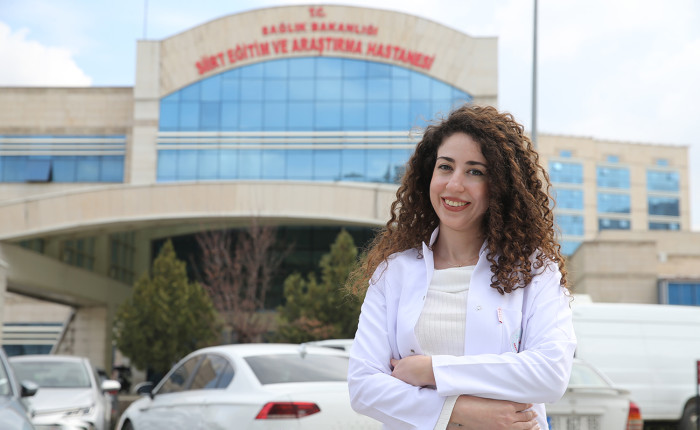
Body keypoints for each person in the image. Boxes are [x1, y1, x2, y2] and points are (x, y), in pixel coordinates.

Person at [346, 104, 576, 430]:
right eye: (445, 167)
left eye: (474, 171)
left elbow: (550, 373)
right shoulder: (393, 273)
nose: (454, 185)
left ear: (500, 185)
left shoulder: (534, 270)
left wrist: (432, 370)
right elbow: (364, 386)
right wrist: (459, 411)